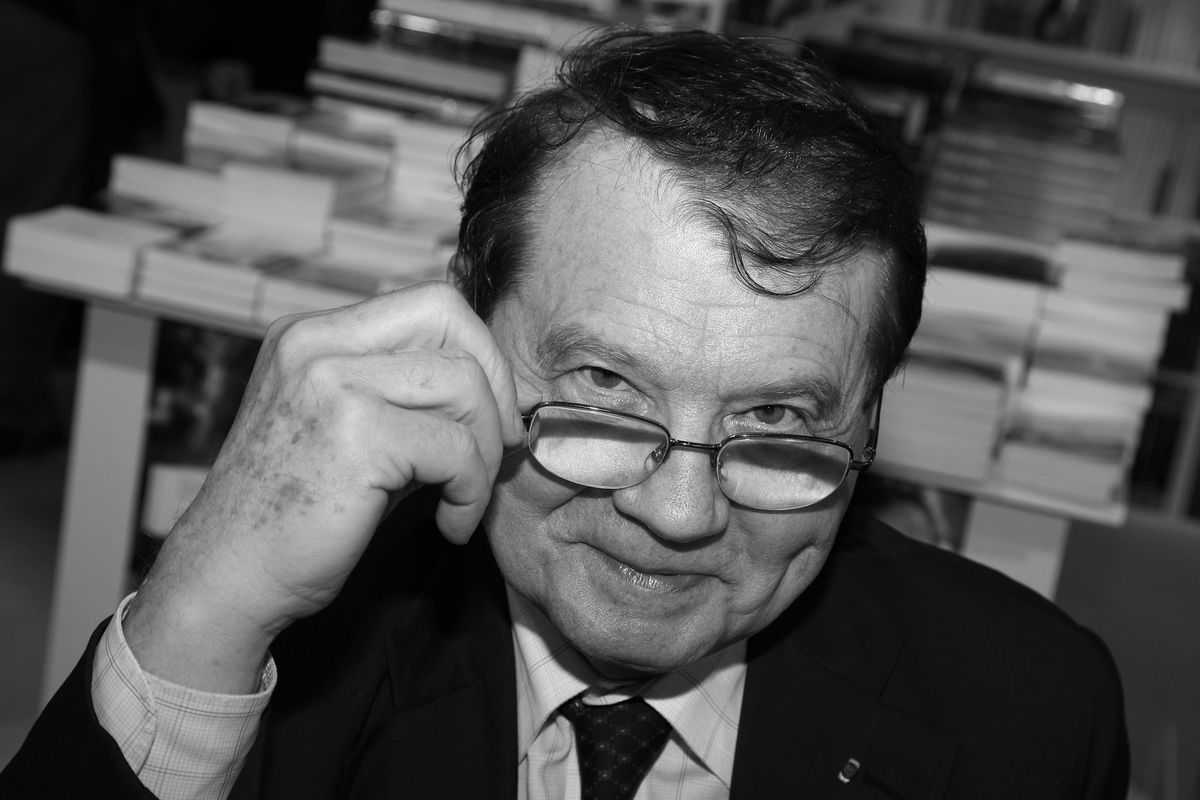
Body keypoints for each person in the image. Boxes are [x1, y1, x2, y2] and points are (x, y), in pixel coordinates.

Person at [1, 28, 1128, 799]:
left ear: (871, 424)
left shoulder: (1033, 713)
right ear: (465, 335)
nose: (680, 514)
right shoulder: (281, 659)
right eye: (603, 387)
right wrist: (204, 602)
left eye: (779, 417)